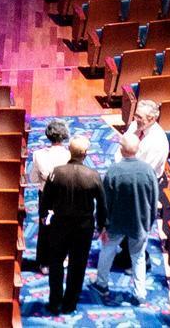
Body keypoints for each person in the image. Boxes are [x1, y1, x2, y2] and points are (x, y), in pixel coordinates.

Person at [38, 135, 105, 315]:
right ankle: (69, 304)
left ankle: (54, 302)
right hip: (83, 227)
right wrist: (101, 225)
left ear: (70, 150)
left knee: (56, 263)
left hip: (60, 225)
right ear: (86, 154)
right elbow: (102, 204)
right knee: (78, 265)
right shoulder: (93, 175)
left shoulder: (56, 173)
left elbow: (46, 199)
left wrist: (44, 215)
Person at [94, 134, 162, 304]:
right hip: (139, 224)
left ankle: (101, 284)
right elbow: (154, 200)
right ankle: (140, 293)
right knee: (138, 258)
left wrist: (101, 225)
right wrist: (149, 223)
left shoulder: (114, 171)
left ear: (121, 150)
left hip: (115, 223)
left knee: (107, 251)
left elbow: (104, 202)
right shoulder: (148, 171)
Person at [29, 118, 73, 187]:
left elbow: (33, 179)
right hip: (66, 194)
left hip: (45, 193)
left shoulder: (38, 154)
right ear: (65, 135)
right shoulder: (70, 155)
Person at [131, 100, 170, 178]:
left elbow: (144, 173)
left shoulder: (158, 143)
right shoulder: (135, 125)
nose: (136, 120)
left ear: (152, 119)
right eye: (136, 115)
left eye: (139, 117)